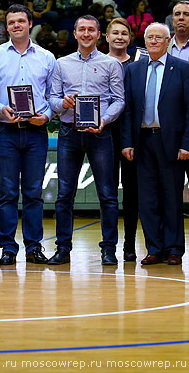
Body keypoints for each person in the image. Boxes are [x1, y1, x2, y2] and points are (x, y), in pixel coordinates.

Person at [48, 15, 124, 265]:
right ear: (75, 33)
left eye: (91, 30)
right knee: (64, 195)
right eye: (82, 29)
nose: (87, 34)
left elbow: (119, 100)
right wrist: (63, 104)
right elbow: (53, 99)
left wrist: (105, 120)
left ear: (99, 35)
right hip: (69, 132)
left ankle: (109, 249)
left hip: (100, 133)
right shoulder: (61, 64)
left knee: (107, 194)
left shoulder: (111, 64)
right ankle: (63, 248)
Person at [121, 22, 189, 265]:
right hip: (143, 141)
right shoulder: (133, 70)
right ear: (144, 41)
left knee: (172, 197)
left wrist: (188, 143)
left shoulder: (183, 68)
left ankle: (174, 248)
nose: (153, 41)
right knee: (147, 198)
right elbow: (128, 109)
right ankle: (154, 248)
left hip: (172, 143)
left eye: (159, 38)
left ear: (168, 41)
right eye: (149, 37)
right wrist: (127, 142)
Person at [0, 4, 55, 266]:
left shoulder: (47, 57)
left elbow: (53, 96)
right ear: (7, 27)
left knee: (34, 192)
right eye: (11, 22)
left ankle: (34, 247)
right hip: (4, 130)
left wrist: (46, 116)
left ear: (29, 23)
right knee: (7, 192)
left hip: (36, 131)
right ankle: (7, 247)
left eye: (20, 21)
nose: (16, 25)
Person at [105, 18, 139, 261]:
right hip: (104, 132)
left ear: (130, 38)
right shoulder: (98, 62)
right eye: (114, 33)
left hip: (133, 136)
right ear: (106, 37)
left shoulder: (140, 63)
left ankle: (129, 245)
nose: (119, 37)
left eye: (124, 33)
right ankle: (108, 246)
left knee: (132, 192)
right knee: (107, 193)